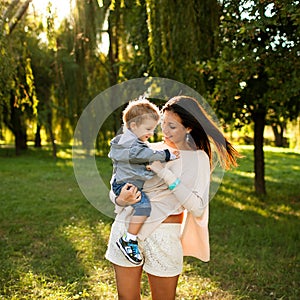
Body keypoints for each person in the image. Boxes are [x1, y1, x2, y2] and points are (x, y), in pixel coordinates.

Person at [105, 95, 241, 300]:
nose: (164, 131)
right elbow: (117, 181)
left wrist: (165, 173)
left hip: (164, 236)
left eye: (172, 126)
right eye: (163, 125)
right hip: (126, 229)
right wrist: (120, 199)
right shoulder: (149, 149)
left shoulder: (198, 159)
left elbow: (197, 207)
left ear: (189, 128)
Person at [108, 98, 179, 265]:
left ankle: (130, 237)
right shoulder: (130, 145)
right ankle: (129, 239)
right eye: (148, 129)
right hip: (125, 186)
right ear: (133, 126)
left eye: (153, 129)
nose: (152, 133)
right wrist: (167, 155)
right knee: (144, 206)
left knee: (142, 206)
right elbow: (142, 155)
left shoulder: (133, 142)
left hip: (127, 184)